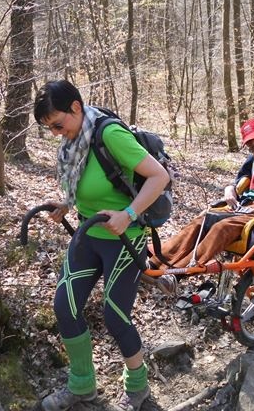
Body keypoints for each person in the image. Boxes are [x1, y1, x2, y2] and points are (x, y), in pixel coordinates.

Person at [34, 80, 170, 411]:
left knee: (115, 315)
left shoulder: (109, 134)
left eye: (57, 124)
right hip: (89, 234)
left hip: (125, 239)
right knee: (65, 307)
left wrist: (128, 213)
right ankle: (82, 385)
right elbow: (84, 186)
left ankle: (137, 388)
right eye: (49, 128)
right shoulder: (71, 144)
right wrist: (66, 206)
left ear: (76, 108)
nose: (55, 133)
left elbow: (159, 177)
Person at [151, 118, 254, 278]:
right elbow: (241, 180)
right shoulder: (253, 161)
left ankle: (177, 273)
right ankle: (155, 262)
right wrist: (230, 189)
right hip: (244, 209)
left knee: (221, 228)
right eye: (253, 148)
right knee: (202, 220)